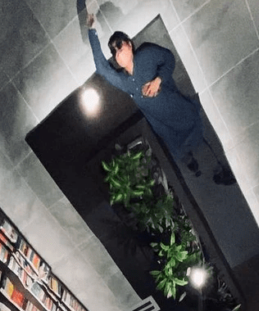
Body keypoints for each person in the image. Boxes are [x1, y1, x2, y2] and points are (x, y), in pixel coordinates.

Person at [86, 14, 234, 184]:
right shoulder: (124, 82)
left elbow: (169, 59)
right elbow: (101, 67)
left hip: (179, 109)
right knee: (179, 150)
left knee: (201, 133)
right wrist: (92, 30)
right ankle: (192, 164)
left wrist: (158, 80)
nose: (117, 52)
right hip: (164, 127)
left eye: (119, 45)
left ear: (130, 44)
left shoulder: (146, 55)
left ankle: (222, 166)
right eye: (113, 51)